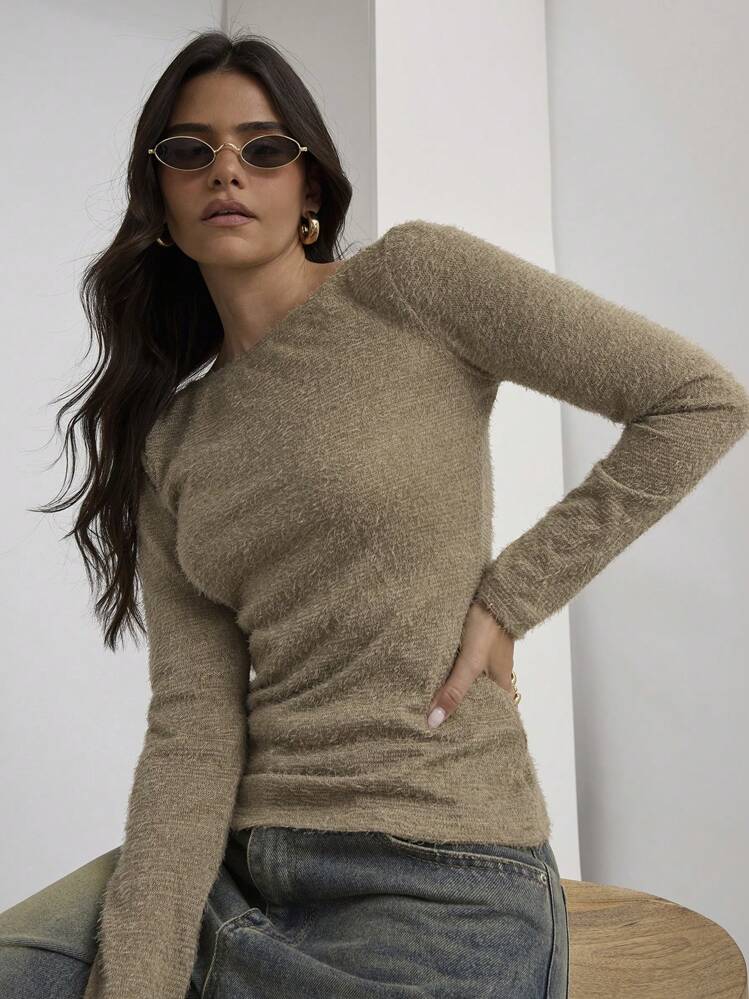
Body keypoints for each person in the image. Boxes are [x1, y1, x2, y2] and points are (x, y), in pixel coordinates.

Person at [3, 28, 748, 999]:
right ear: (162, 203)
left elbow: (696, 401)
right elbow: (192, 733)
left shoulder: (411, 284)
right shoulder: (171, 444)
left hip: (441, 875)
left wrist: (510, 597)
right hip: (243, 869)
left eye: (263, 147)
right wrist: (138, 978)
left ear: (308, 186)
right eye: (191, 150)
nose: (226, 169)